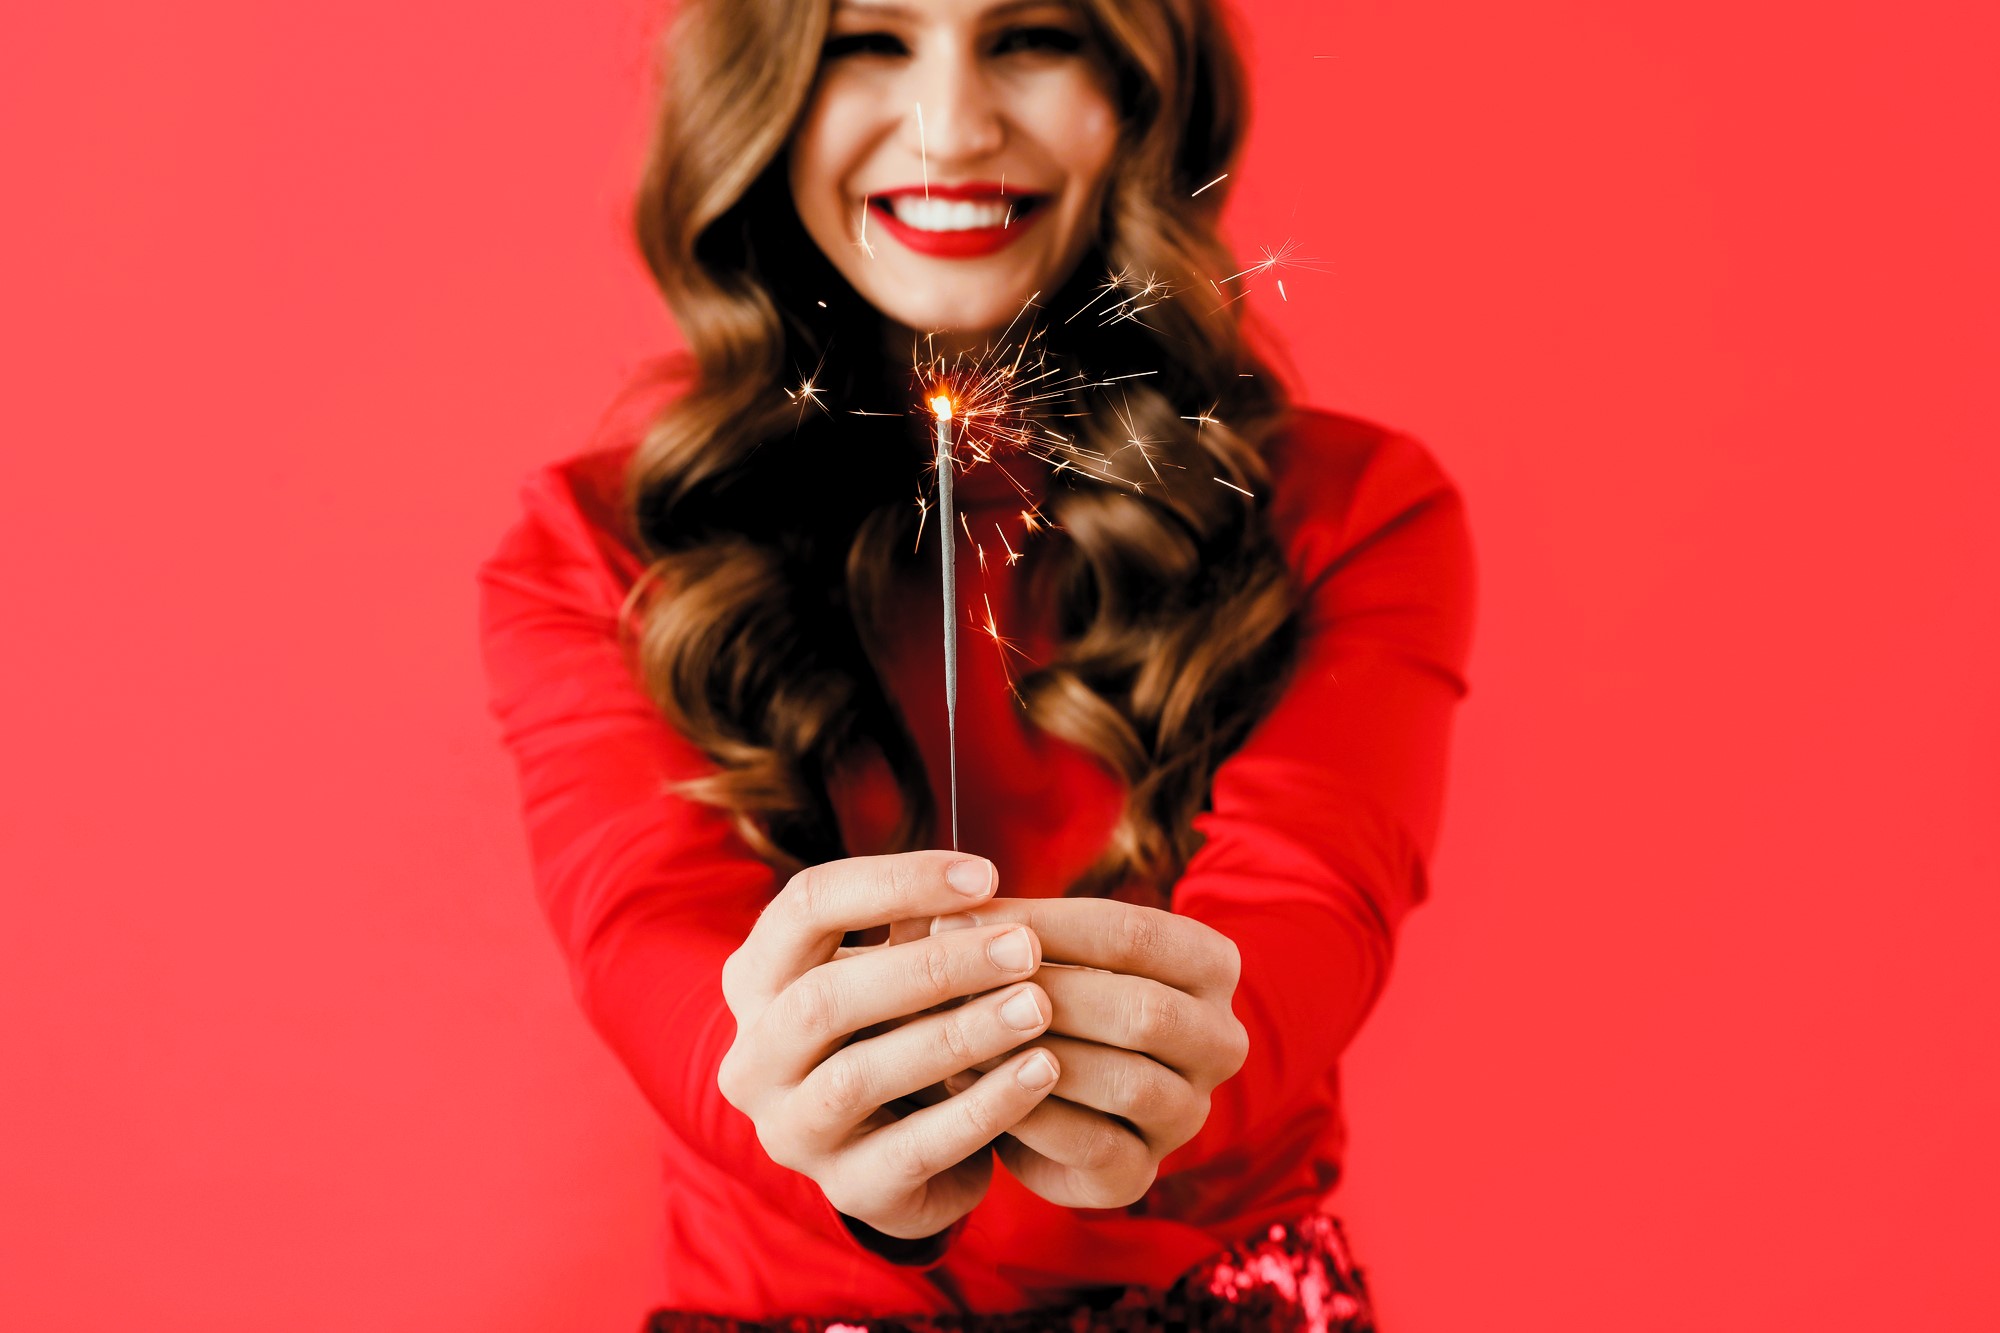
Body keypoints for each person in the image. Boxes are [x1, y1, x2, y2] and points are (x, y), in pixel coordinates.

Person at [475, 0, 1476, 1327]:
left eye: (1032, 35)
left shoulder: (1351, 511)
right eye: (868, 40)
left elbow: (1308, 911)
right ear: (758, 86)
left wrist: (1162, 1074)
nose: (952, 126)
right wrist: (791, 1090)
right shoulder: (596, 550)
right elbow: (648, 932)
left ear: (1142, 84)